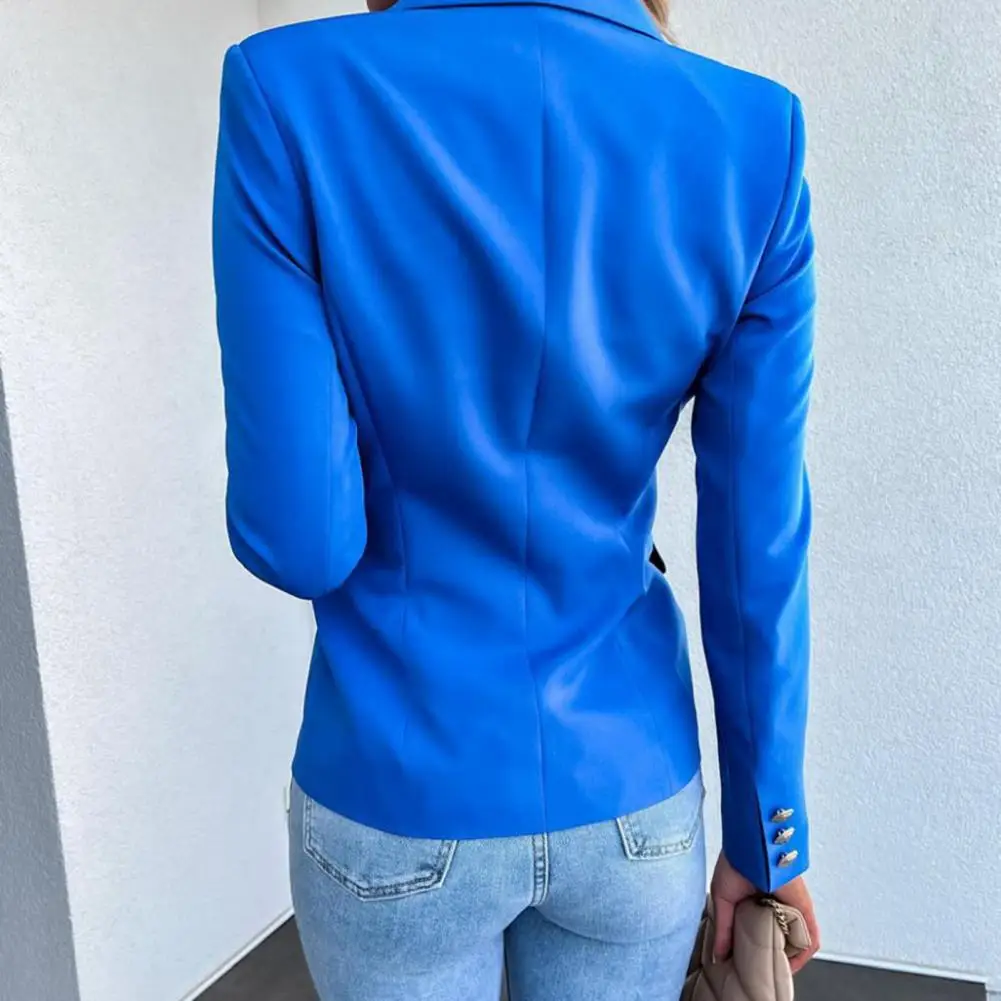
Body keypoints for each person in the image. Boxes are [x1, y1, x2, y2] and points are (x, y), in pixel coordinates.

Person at [212, 0, 821, 995]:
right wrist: (768, 832)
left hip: (395, 778)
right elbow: (755, 542)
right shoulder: (753, 133)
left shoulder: (287, 90)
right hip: (629, 785)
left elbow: (298, 539)